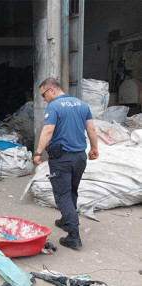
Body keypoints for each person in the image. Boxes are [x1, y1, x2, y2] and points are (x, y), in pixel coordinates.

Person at [33, 78, 99, 249]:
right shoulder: (82, 105)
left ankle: (73, 235)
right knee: (71, 190)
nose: (44, 99)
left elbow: (48, 130)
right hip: (79, 158)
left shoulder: (54, 106)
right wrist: (94, 148)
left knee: (62, 195)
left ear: (52, 90)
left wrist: (38, 152)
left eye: (43, 95)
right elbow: (91, 129)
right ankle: (65, 219)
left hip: (62, 159)